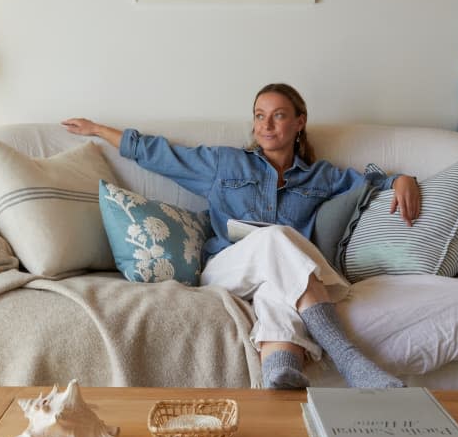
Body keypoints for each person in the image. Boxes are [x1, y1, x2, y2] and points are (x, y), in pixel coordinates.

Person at [62, 84, 421, 391]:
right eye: (259, 115)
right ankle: (346, 356)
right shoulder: (226, 164)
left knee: (277, 288)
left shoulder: (321, 177)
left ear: (299, 122)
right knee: (276, 239)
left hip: (282, 277)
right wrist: (97, 129)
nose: (266, 124)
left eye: (279, 115)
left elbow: (369, 181)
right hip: (227, 269)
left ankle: (281, 373)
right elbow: (160, 155)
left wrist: (401, 180)